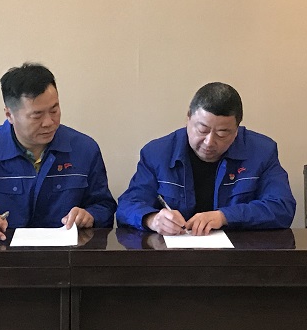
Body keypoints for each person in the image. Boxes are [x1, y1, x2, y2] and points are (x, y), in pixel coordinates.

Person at [0, 63, 116, 241]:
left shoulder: (84, 149)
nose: (49, 122)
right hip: (2, 253)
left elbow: (104, 205)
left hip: (67, 254)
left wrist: (90, 215)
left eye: (54, 110)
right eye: (37, 115)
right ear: (9, 115)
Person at [116, 82, 295, 236]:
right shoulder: (157, 153)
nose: (209, 142)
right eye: (202, 130)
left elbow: (282, 207)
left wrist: (225, 216)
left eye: (222, 133)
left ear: (237, 130)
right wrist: (152, 219)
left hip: (239, 255)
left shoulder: (262, 151)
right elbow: (127, 206)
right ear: (188, 118)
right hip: (173, 256)